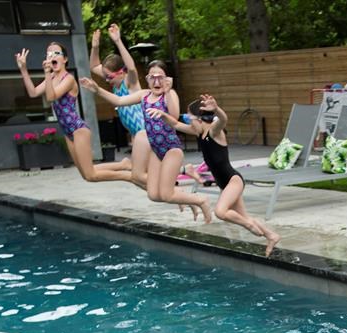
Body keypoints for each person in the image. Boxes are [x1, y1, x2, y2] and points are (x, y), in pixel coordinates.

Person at [80, 62, 212, 222]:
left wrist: (168, 93)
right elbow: (119, 101)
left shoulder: (170, 95)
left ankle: (201, 201)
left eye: (160, 77)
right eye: (152, 77)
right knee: (154, 195)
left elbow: (174, 114)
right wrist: (97, 90)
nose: (156, 82)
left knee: (166, 194)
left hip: (171, 149)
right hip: (156, 150)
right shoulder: (143, 95)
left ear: (167, 79)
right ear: (147, 79)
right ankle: (186, 196)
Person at [175, 94, 281, 255]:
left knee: (221, 212)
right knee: (242, 215)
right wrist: (160, 115)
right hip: (224, 183)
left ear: (198, 118)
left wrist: (216, 109)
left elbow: (223, 120)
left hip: (233, 180)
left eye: (188, 117)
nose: (187, 121)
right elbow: (174, 123)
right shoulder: (199, 133)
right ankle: (271, 235)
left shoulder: (214, 132)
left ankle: (249, 225)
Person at [15, 43, 131, 184]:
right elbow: (33, 93)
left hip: (78, 129)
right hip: (68, 132)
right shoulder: (50, 78)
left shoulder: (68, 79)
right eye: (49, 53)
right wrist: (23, 69)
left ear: (65, 59)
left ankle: (128, 177)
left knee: (91, 175)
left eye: (56, 53)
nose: (52, 56)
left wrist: (46, 73)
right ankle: (123, 165)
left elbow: (51, 97)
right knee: (86, 174)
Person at [88, 24, 149, 188]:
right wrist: (95, 47)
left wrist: (118, 41)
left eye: (108, 77)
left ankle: (177, 183)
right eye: (105, 77)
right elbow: (94, 66)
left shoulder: (130, 83)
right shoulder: (115, 83)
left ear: (120, 72)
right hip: (136, 135)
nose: (106, 80)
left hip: (147, 133)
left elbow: (131, 67)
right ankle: (167, 190)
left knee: (143, 175)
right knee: (141, 177)